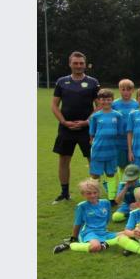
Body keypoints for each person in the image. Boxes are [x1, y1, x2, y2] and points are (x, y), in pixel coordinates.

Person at [52, 51, 101, 203]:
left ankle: (94, 193)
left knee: (93, 159)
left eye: (81, 63)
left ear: (85, 64)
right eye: (75, 63)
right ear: (70, 64)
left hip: (88, 128)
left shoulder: (93, 82)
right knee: (64, 160)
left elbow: (99, 105)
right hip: (66, 128)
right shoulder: (61, 82)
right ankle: (64, 193)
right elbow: (54, 105)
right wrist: (64, 122)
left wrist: (87, 121)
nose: (78, 66)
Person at [53, 179, 117, 254]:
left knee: (127, 234)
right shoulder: (82, 206)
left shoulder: (106, 203)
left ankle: (104, 244)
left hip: (103, 232)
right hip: (89, 233)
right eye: (89, 193)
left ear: (98, 192)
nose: (92, 195)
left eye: (95, 192)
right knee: (96, 247)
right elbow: (77, 224)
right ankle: (71, 245)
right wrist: (74, 238)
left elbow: (107, 219)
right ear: (83, 194)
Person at [88, 89, 123, 186]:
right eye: (103, 99)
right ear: (99, 100)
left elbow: (120, 133)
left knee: (111, 174)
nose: (106, 102)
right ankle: (94, 196)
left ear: (112, 100)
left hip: (112, 149)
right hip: (98, 149)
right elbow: (92, 133)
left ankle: (111, 197)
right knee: (95, 174)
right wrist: (92, 142)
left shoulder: (118, 115)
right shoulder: (95, 116)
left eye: (108, 99)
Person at [111, 79, 138, 199]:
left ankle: (135, 189)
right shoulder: (114, 104)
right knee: (122, 166)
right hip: (119, 141)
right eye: (123, 89)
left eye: (128, 89)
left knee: (133, 165)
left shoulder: (136, 104)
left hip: (134, 140)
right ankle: (123, 189)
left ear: (132, 90)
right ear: (119, 90)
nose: (126, 92)